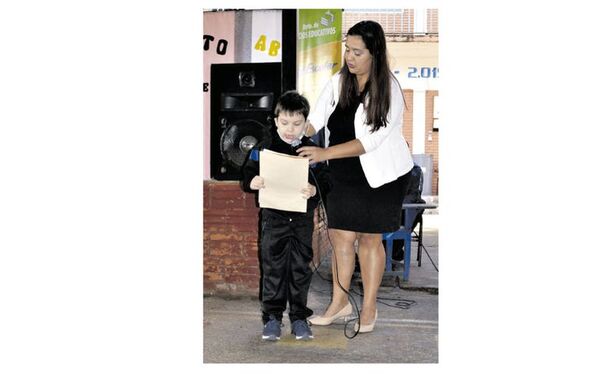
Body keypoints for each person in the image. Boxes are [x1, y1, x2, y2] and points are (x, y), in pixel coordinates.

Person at [297, 20, 414, 333]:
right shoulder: (339, 82)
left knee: (368, 240)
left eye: (357, 51)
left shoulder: (389, 89)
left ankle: (369, 307)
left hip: (381, 175)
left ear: (374, 53)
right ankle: (340, 303)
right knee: (340, 238)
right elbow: (316, 118)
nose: (349, 56)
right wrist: (296, 133)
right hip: (344, 172)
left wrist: (323, 153)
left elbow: (369, 143)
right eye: (347, 49)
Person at [241, 90, 327, 341]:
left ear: (305, 123)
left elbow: (325, 181)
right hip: (273, 218)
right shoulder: (264, 148)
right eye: (285, 122)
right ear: (276, 119)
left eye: (297, 123)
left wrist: (314, 190)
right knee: (273, 269)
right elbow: (246, 174)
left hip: (301, 219)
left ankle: (299, 318)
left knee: (300, 269)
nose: (291, 129)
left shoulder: (312, 151)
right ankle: (272, 319)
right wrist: (252, 181)